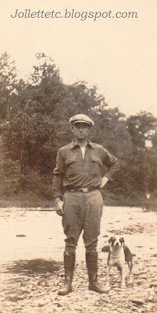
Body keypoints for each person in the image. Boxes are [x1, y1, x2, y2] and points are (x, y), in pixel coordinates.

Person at [53, 114, 120, 295]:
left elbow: (114, 164)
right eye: (77, 126)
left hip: (93, 197)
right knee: (70, 241)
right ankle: (67, 284)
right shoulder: (64, 151)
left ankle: (94, 282)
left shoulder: (99, 150)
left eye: (84, 126)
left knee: (92, 241)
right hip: (71, 197)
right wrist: (58, 199)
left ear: (89, 129)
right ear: (72, 129)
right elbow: (58, 175)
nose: (81, 129)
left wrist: (105, 179)